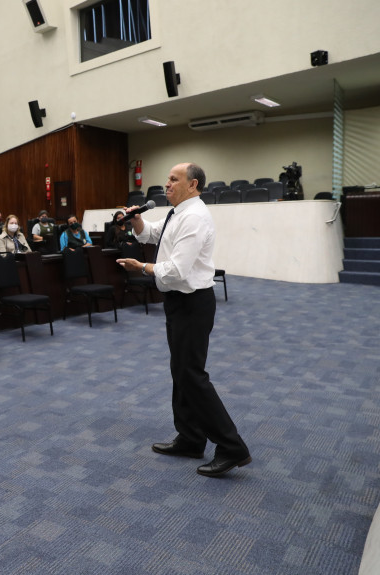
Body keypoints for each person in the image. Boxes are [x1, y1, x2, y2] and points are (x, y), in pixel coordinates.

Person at [117, 162, 251, 478]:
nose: (167, 184)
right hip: (178, 302)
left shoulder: (195, 217)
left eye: (174, 179)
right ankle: (190, 438)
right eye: (167, 179)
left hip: (193, 303)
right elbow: (153, 236)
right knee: (180, 370)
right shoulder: (176, 212)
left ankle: (232, 447)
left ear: (192, 185)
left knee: (192, 374)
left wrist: (142, 268)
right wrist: (137, 222)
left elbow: (176, 269)